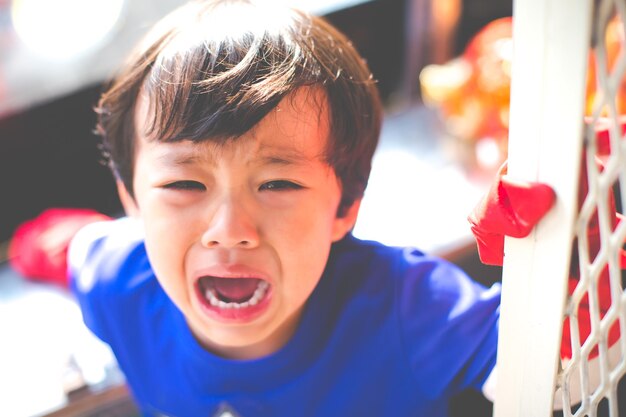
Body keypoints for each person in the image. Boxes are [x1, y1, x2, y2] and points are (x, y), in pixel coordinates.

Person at [8, 0, 621, 416]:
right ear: (131, 199)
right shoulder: (118, 275)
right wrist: (31, 245)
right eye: (184, 186)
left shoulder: (404, 308)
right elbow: (60, 243)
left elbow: (576, 374)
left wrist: (574, 239)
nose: (230, 231)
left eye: (277, 184)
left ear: (346, 204)